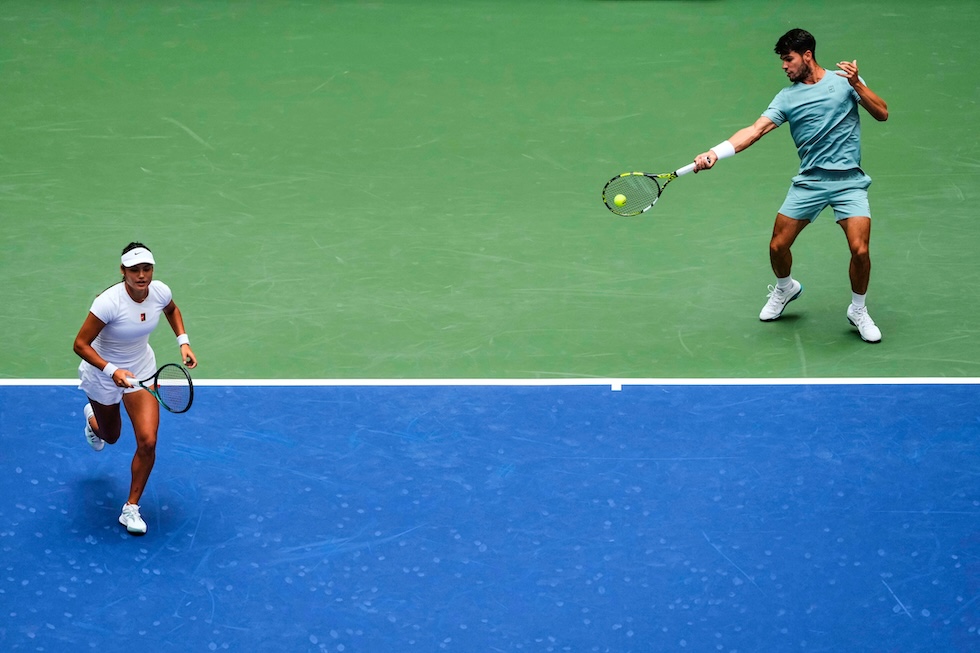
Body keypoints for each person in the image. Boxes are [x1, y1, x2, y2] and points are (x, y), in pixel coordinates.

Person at [692, 28, 889, 343]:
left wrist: (856, 84)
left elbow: (882, 113)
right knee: (777, 246)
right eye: (782, 60)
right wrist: (715, 152)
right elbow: (755, 130)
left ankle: (858, 310)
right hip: (809, 182)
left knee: (860, 249)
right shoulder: (787, 98)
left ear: (807, 56)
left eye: (788, 59)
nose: (784, 66)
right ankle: (786, 289)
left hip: (849, 181)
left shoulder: (845, 83)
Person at [73, 243, 198, 535]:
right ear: (123, 271)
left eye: (146, 269)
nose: (142, 275)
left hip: (141, 369)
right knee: (111, 436)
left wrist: (183, 341)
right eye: (134, 270)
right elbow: (80, 344)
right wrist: (112, 370)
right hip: (103, 373)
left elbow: (171, 309)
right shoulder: (108, 303)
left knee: (148, 441)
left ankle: (131, 507)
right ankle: (94, 422)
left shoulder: (159, 291)